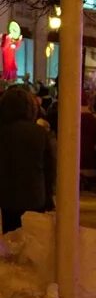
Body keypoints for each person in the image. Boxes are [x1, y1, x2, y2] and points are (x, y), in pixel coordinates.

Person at [0, 86, 53, 233]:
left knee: (10, 233)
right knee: (32, 235)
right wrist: (49, 195)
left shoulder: (3, 132)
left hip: (7, 194)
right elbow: (49, 167)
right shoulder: (40, 133)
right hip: (34, 193)